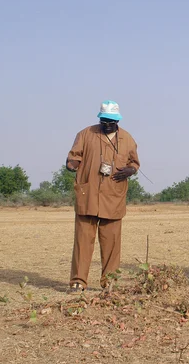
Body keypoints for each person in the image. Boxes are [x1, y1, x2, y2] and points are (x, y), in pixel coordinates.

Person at [66, 100, 140, 293]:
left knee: (111, 243)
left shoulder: (128, 139)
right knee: (83, 241)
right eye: (104, 120)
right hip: (88, 194)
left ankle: (110, 282)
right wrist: (72, 164)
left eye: (111, 121)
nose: (107, 124)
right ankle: (78, 281)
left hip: (113, 196)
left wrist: (130, 171)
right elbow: (74, 156)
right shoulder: (85, 134)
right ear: (99, 118)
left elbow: (135, 163)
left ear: (118, 120)